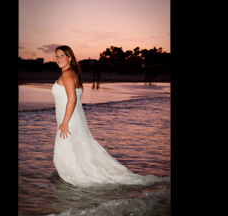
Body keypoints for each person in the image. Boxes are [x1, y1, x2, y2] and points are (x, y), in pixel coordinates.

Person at [51, 45, 169, 187]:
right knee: (77, 152)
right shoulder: (70, 73)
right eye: (56, 55)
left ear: (70, 57)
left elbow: (72, 100)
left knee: (66, 153)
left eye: (62, 55)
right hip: (73, 120)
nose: (58, 58)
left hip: (69, 122)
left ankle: (75, 190)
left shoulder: (67, 74)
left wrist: (64, 123)